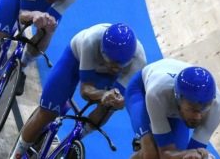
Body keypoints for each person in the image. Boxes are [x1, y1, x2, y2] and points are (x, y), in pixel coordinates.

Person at [9, 23, 148, 158]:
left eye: (121, 65)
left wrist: (117, 101)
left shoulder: (139, 63)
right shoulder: (91, 40)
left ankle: (78, 135)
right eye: (110, 62)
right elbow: (85, 90)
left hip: (109, 77)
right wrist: (104, 94)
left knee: (109, 106)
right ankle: (16, 154)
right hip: (75, 60)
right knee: (47, 113)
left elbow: (125, 102)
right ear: (102, 50)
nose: (115, 68)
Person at [125, 58, 220, 159]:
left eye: (204, 109)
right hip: (141, 92)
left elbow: (191, 154)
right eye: (191, 108)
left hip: (175, 108)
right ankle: (145, 143)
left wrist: (198, 155)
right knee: (152, 154)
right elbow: (165, 153)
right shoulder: (157, 94)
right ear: (178, 100)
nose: (197, 116)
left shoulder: (217, 108)